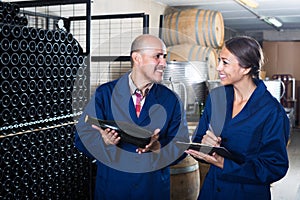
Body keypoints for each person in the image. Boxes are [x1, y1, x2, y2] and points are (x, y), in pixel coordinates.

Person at [74, 34, 189, 200]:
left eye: (164, 57)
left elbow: (181, 145)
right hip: (113, 188)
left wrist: (158, 148)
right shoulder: (105, 94)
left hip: (152, 190)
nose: (164, 63)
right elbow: (82, 138)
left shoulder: (171, 100)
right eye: (157, 56)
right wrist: (104, 143)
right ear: (137, 58)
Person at [186, 36, 290, 200]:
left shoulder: (271, 111)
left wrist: (223, 163)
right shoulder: (217, 98)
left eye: (225, 62)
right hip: (212, 190)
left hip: (247, 194)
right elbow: (198, 141)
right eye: (219, 61)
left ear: (246, 68)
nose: (219, 67)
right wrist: (205, 147)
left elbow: (274, 167)